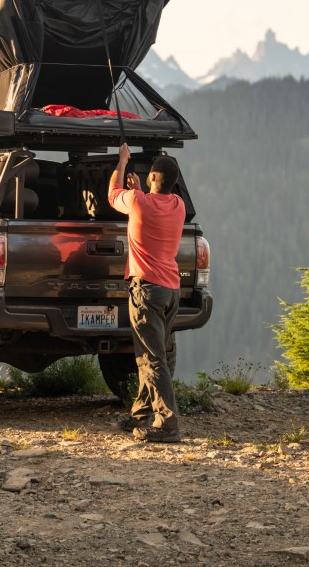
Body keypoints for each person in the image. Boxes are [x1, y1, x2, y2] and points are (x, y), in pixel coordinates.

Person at [108, 143, 187, 443]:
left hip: (147, 291)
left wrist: (122, 161)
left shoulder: (138, 202)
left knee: (152, 359)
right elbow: (156, 199)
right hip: (171, 291)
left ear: (153, 176)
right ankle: (141, 414)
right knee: (151, 354)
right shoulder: (178, 206)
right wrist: (142, 188)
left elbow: (113, 193)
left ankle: (168, 424)